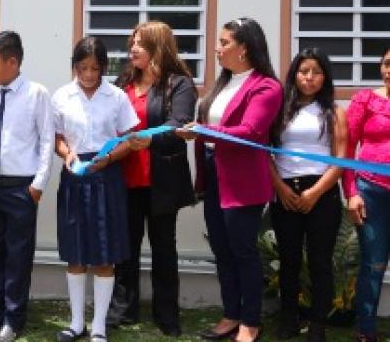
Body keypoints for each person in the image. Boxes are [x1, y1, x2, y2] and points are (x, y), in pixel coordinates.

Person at [177, 17, 282, 342]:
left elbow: (250, 132)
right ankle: (231, 313)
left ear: (245, 48)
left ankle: (250, 321)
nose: (217, 48)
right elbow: (210, 129)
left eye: (224, 43)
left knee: (243, 251)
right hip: (214, 174)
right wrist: (194, 131)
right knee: (222, 250)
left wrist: (204, 131)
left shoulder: (267, 86)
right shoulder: (223, 83)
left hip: (244, 180)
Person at [108, 21, 197, 337]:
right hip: (124, 180)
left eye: (140, 43)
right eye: (132, 41)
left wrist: (150, 139)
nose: (132, 48)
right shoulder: (123, 82)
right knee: (125, 249)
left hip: (161, 183)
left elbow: (180, 124)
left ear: (159, 47)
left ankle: (166, 315)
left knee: (163, 250)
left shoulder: (179, 84)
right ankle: (123, 310)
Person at [51, 36, 139, 342]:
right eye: (83, 68)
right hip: (75, 176)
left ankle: (99, 325)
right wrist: (66, 153)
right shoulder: (62, 95)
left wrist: (110, 157)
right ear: (75, 66)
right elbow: (56, 137)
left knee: (104, 253)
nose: (89, 75)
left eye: (95, 68)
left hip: (107, 176)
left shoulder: (116, 97)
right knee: (75, 252)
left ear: (104, 68)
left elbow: (131, 139)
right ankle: (76, 323)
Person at [0, 31, 55, 342]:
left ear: (13, 61)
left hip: (21, 188)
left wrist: (38, 184)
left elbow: (47, 140)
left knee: (17, 254)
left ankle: (14, 318)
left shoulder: (36, 94)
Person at [268, 48, 346, 342]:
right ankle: (288, 320)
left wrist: (314, 192)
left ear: (324, 77)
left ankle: (317, 325)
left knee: (319, 262)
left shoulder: (334, 112)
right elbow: (267, 154)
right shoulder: (280, 110)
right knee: (288, 261)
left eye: (316, 72)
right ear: (294, 75)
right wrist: (279, 187)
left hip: (322, 193)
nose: (309, 77)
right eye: (303, 71)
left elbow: (340, 160)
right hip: (286, 191)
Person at [344, 46, 390, 342]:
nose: (389, 70)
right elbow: (346, 150)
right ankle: (366, 331)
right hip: (371, 192)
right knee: (373, 264)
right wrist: (351, 192)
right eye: (386, 63)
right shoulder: (366, 99)